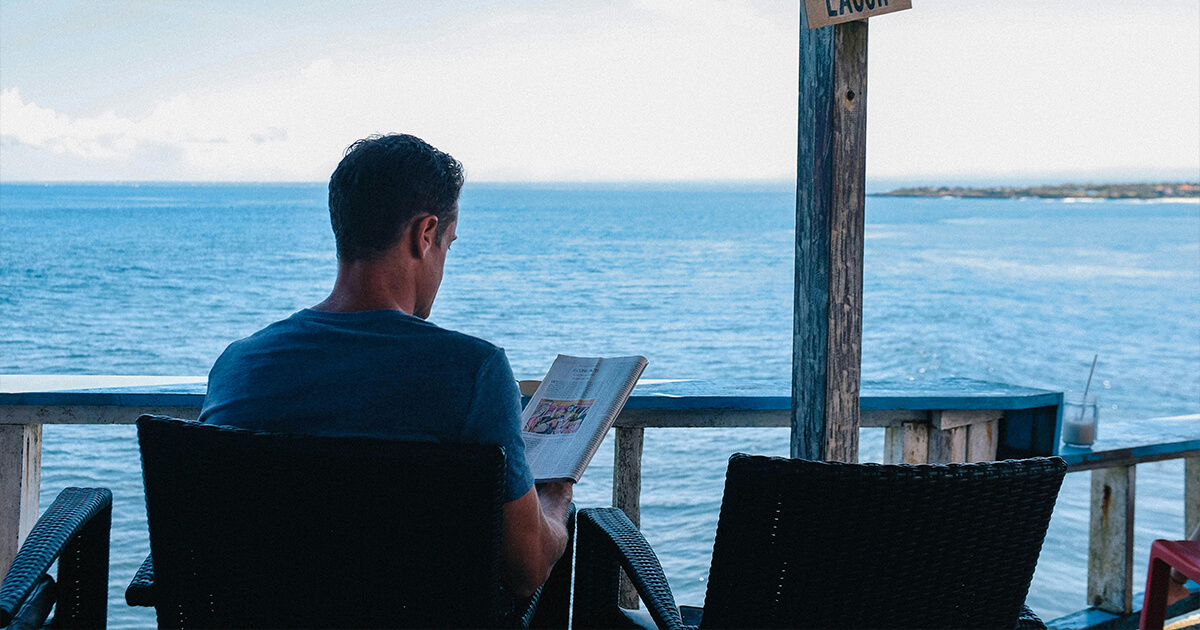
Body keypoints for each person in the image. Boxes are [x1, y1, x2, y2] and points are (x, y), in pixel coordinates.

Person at [198, 133, 572, 598]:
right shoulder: (474, 372)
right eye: (448, 246)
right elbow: (525, 570)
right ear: (425, 235)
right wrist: (553, 505)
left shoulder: (238, 367)